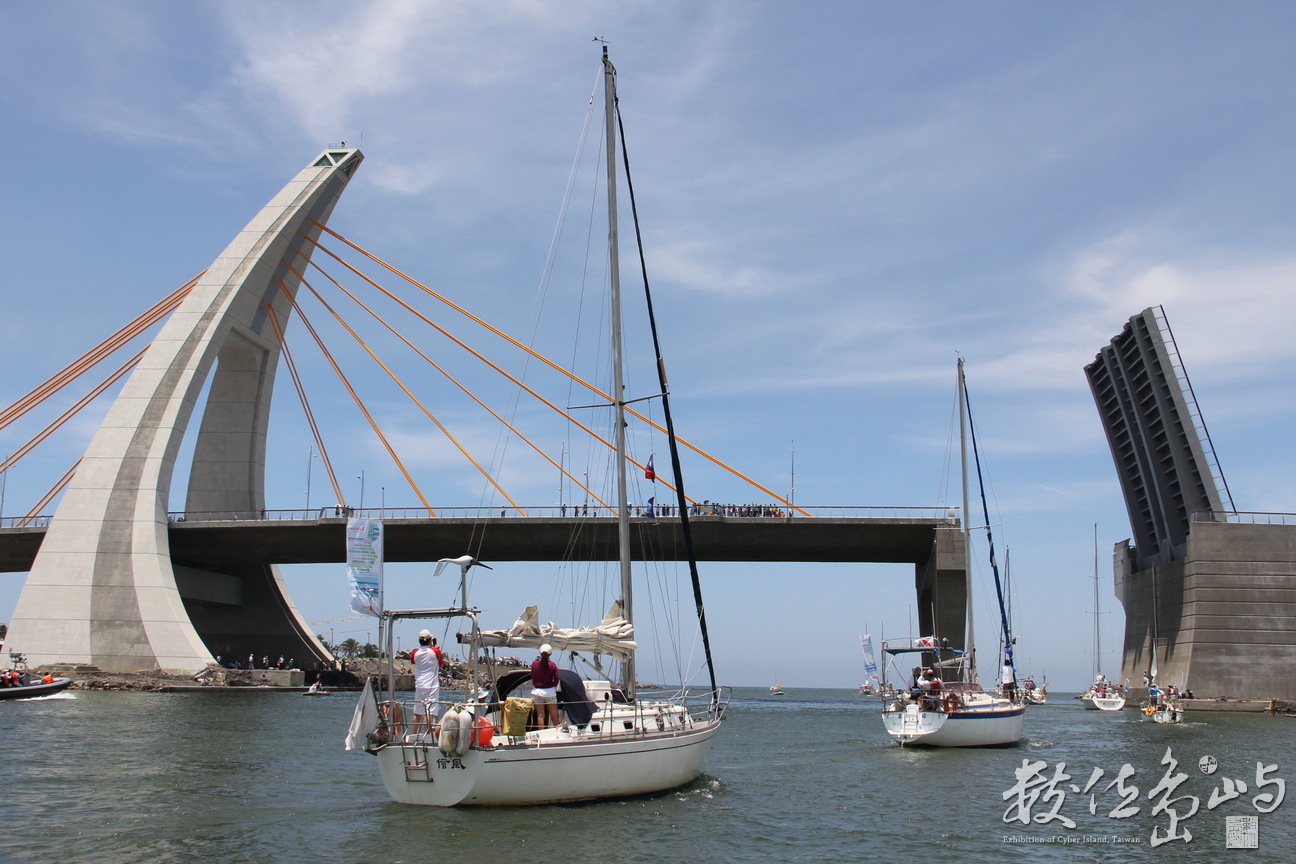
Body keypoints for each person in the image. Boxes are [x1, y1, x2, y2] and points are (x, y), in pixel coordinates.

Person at [409, 630, 443, 736]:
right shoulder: (435, 652)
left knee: (418, 712)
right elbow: (440, 664)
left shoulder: (415, 652)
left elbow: (413, 661)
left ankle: (413, 734)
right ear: (430, 640)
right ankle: (427, 735)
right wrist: (435, 649)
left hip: (419, 684)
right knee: (430, 711)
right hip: (431, 685)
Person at [530, 644, 560, 729]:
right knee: (554, 716)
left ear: (540, 652)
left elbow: (532, 675)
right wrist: (553, 685)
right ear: (550, 654)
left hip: (537, 691)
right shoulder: (552, 665)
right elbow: (556, 679)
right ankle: (557, 733)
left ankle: (541, 735)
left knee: (540, 715)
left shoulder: (534, 664)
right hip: (549, 692)